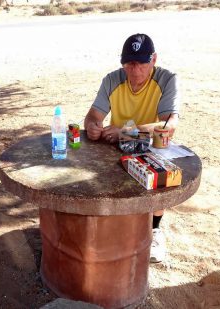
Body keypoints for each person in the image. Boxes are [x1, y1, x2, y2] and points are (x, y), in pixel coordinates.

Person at [84, 33, 180, 263]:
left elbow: (169, 126)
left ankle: (155, 230)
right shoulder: (112, 79)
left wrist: (125, 130)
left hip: (153, 145)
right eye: (129, 64)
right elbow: (92, 116)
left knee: (159, 182)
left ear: (154, 59)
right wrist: (92, 127)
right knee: (106, 179)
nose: (134, 70)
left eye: (141, 63)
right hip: (118, 145)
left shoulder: (167, 79)